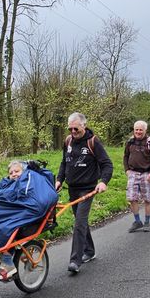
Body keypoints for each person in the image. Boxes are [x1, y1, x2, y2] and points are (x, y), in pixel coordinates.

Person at [55, 112, 113, 274]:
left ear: (84, 126)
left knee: (79, 223)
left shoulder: (93, 142)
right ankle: (90, 250)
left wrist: (103, 181)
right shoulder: (68, 141)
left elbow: (107, 164)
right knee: (81, 221)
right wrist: (60, 179)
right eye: (70, 128)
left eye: (76, 128)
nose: (73, 131)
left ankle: (75, 260)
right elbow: (63, 163)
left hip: (88, 189)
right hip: (72, 189)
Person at [123, 120, 150, 232]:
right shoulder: (130, 142)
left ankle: (147, 223)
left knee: (147, 199)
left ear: (145, 130)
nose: (138, 132)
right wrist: (127, 170)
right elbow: (125, 156)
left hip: (146, 174)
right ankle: (137, 221)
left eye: (141, 130)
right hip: (133, 173)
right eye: (136, 130)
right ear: (134, 130)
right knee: (131, 198)